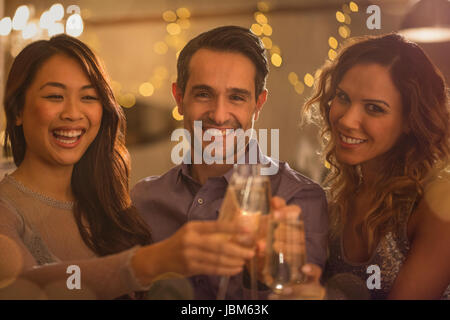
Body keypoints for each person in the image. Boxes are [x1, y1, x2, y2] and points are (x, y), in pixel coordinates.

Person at [0, 34, 257, 300]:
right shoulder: (6, 209)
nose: (73, 113)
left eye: (89, 97)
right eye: (55, 96)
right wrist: (146, 263)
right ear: (18, 109)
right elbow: (22, 285)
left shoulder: (113, 205)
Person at [131, 25, 328, 299]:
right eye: (203, 94)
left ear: (258, 105)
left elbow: (301, 291)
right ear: (179, 97)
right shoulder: (143, 199)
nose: (220, 115)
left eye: (236, 97)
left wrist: (273, 275)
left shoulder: (298, 198)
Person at [303, 33, 450, 299]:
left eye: (374, 108)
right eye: (343, 97)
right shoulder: (335, 198)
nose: (347, 120)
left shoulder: (439, 202)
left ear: (410, 120)